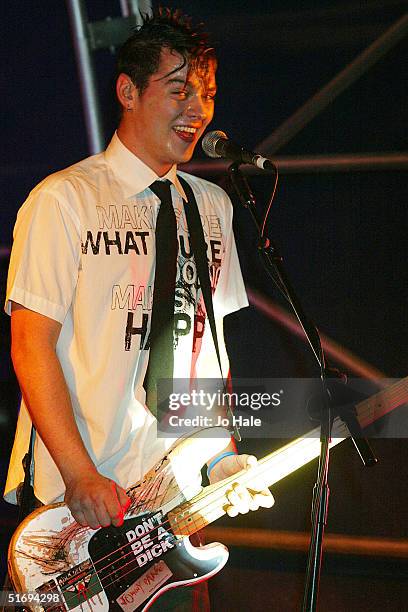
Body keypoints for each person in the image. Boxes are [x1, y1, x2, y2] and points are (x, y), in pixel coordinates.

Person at [4, 8, 273, 610]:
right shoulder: (64, 199)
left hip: (171, 501)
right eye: (178, 90)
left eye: (206, 93)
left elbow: (208, 351)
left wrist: (222, 458)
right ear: (128, 91)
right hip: (73, 511)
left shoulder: (213, 206)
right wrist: (79, 474)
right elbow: (30, 346)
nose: (197, 110)